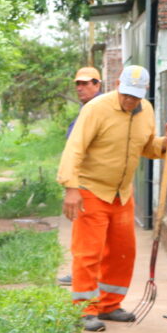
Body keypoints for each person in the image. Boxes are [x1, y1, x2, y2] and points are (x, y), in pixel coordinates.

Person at [57, 65, 167, 332]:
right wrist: (71, 188)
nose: (130, 101)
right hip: (91, 190)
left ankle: (109, 305)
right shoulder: (96, 109)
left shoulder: (146, 111)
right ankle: (84, 309)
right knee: (88, 253)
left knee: (122, 252)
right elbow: (74, 148)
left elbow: (146, 146)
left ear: (144, 93)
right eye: (126, 94)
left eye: (135, 96)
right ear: (117, 84)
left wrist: (166, 142)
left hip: (122, 194)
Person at [58, 66, 106, 286]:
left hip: (95, 184)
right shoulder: (87, 108)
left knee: (89, 238)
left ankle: (85, 276)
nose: (80, 88)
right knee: (84, 236)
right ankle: (82, 273)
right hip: (85, 182)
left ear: (98, 84)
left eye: (86, 83)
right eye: (78, 84)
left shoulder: (99, 109)